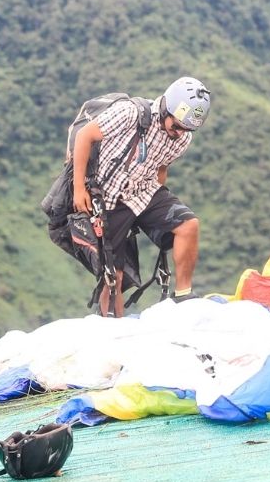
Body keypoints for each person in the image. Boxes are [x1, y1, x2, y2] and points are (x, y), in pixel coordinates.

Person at [71, 77, 210, 317]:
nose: (179, 134)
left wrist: (157, 206)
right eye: (176, 126)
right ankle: (111, 325)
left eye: (186, 129)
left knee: (188, 226)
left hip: (143, 191)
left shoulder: (182, 137)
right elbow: (85, 136)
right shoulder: (130, 114)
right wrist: (79, 189)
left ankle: (183, 294)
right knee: (114, 274)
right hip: (109, 197)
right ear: (166, 108)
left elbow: (162, 166)